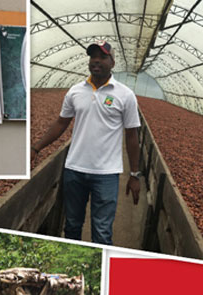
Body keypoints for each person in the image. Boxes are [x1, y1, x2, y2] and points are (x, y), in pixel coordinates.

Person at [31, 40, 141, 245]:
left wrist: (134, 174)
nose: (96, 61)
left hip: (107, 174)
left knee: (102, 231)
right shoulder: (75, 91)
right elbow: (61, 123)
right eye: (93, 57)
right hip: (75, 170)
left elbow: (132, 136)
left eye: (102, 57)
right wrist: (36, 147)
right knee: (72, 225)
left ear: (112, 62)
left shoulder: (125, 95)